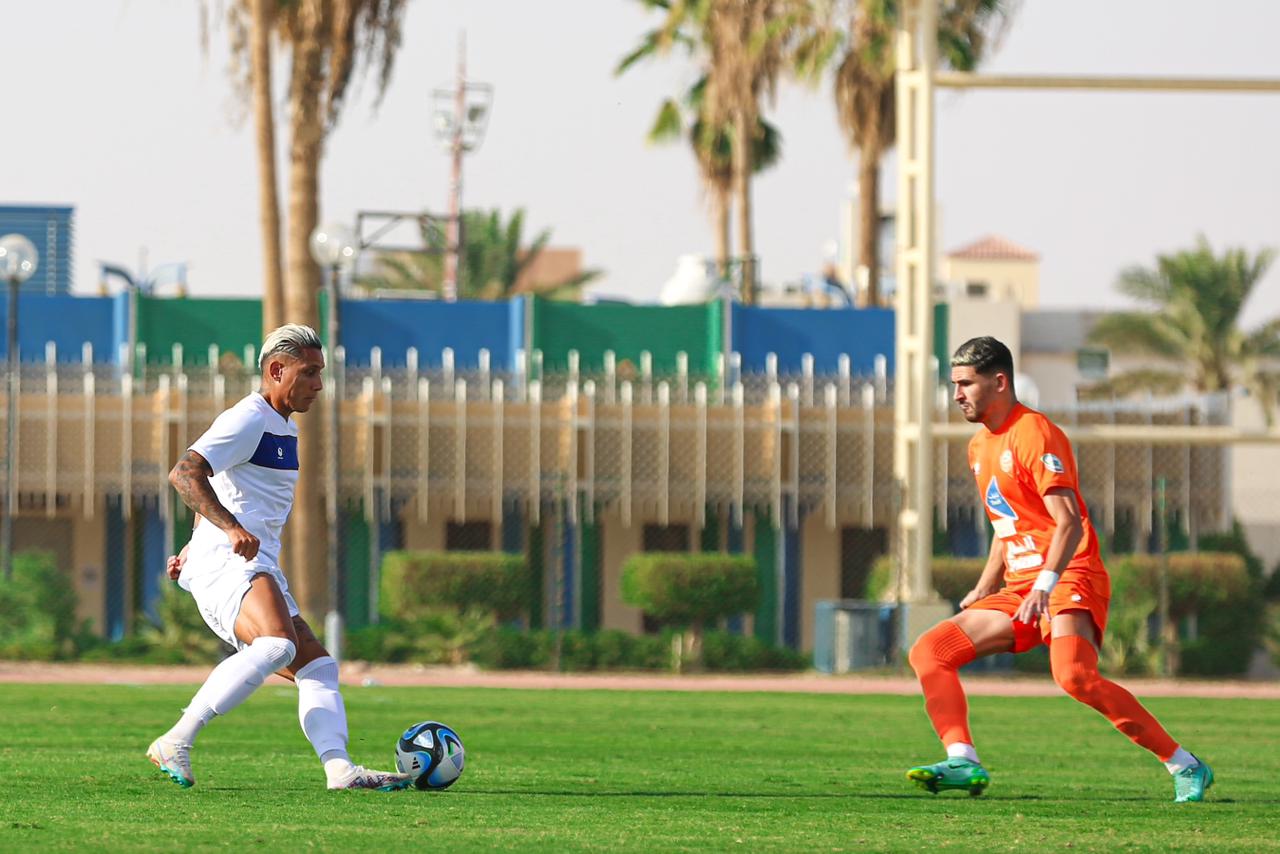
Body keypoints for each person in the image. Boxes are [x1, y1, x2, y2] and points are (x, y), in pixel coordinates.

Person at [905, 336, 1213, 803]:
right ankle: (963, 761)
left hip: (1069, 573)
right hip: (1023, 585)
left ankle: (1185, 764)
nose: (956, 394)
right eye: (954, 384)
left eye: (966, 383)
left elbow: (1068, 523)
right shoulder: (978, 447)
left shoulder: (1035, 434)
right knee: (930, 651)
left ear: (1000, 381)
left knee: (1074, 677)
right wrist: (985, 585)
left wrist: (1045, 585)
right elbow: (1007, 523)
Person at [146, 323, 410, 791]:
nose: (319, 385)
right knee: (276, 646)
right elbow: (185, 473)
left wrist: (192, 544)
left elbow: (224, 485)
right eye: (309, 373)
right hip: (233, 563)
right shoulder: (248, 417)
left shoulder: (282, 426)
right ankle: (176, 739)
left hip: (249, 561)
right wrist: (226, 531)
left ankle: (340, 770)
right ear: (275, 370)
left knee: (317, 667)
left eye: (320, 374)